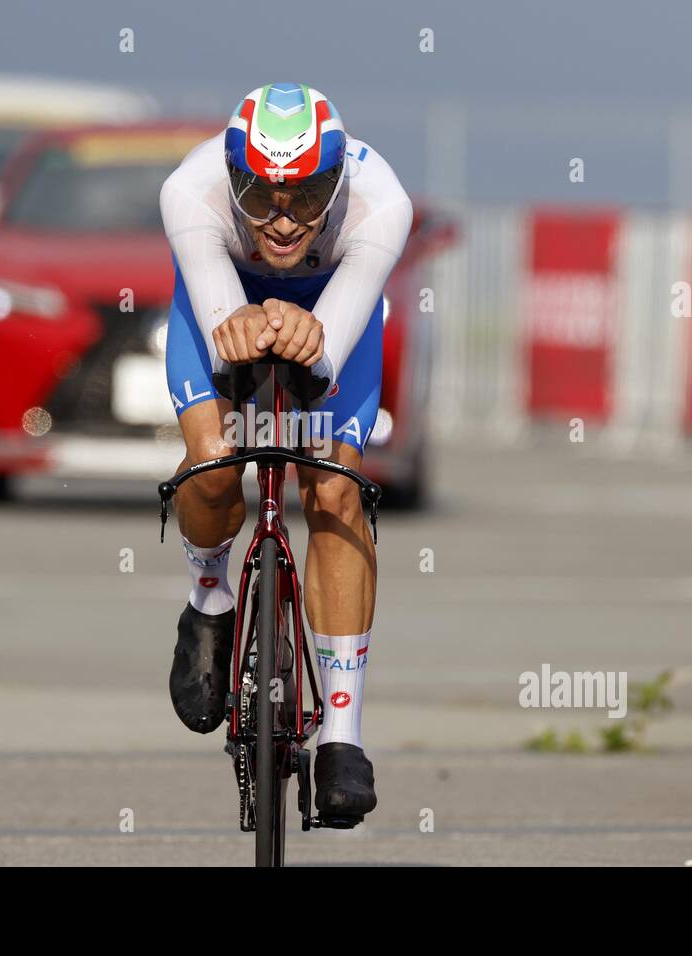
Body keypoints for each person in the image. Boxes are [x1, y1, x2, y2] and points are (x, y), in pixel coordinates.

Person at [159, 83, 412, 819]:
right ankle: (209, 597)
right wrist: (238, 324)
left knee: (333, 487)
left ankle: (342, 734)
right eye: (260, 196)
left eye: (306, 198)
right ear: (232, 178)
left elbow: (327, 350)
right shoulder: (190, 191)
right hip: (222, 291)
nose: (280, 220)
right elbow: (217, 320)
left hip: (337, 299)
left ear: (336, 185)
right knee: (212, 464)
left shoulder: (382, 203)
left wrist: (306, 337)